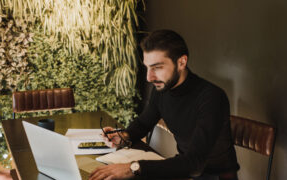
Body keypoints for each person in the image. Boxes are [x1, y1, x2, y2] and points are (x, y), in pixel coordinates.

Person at [89, 30, 240, 180]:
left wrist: (133, 167)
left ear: (181, 62)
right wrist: (123, 136)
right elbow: (143, 123)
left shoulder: (211, 97)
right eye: (147, 67)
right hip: (185, 170)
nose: (149, 77)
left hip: (213, 175)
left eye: (157, 67)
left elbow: (194, 163)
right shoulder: (162, 89)